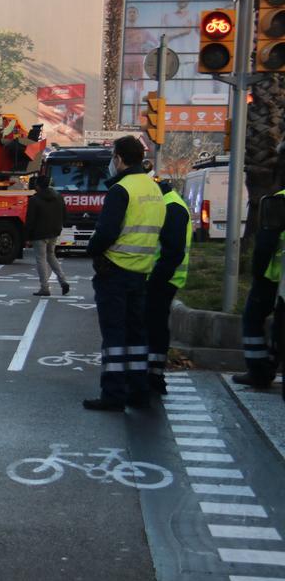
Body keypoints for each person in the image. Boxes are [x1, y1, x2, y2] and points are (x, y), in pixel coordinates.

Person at [82, 136, 166, 411]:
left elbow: (106, 231)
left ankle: (113, 394)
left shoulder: (122, 189)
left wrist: (92, 250)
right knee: (136, 335)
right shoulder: (154, 189)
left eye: (112, 157)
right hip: (141, 271)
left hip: (114, 271)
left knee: (115, 336)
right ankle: (138, 389)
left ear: (118, 159)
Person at [235, 188, 285, 388]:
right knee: (279, 325)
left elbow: (265, 243)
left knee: (253, 318)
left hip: (273, 276)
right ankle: (270, 364)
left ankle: (258, 371)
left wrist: (256, 272)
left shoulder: (278, 201)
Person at [146, 181, 191, 396]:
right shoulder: (170, 203)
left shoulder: (172, 207)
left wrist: (155, 280)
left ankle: (155, 376)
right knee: (154, 326)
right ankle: (153, 373)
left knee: (155, 327)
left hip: (163, 279)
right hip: (162, 277)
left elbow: (172, 251)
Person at [25, 174, 70, 296]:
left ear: (38, 186)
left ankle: (45, 288)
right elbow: (65, 215)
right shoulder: (59, 196)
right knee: (51, 255)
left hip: (39, 234)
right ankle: (63, 281)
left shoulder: (34, 199)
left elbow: (30, 220)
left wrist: (27, 237)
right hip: (54, 232)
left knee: (41, 259)